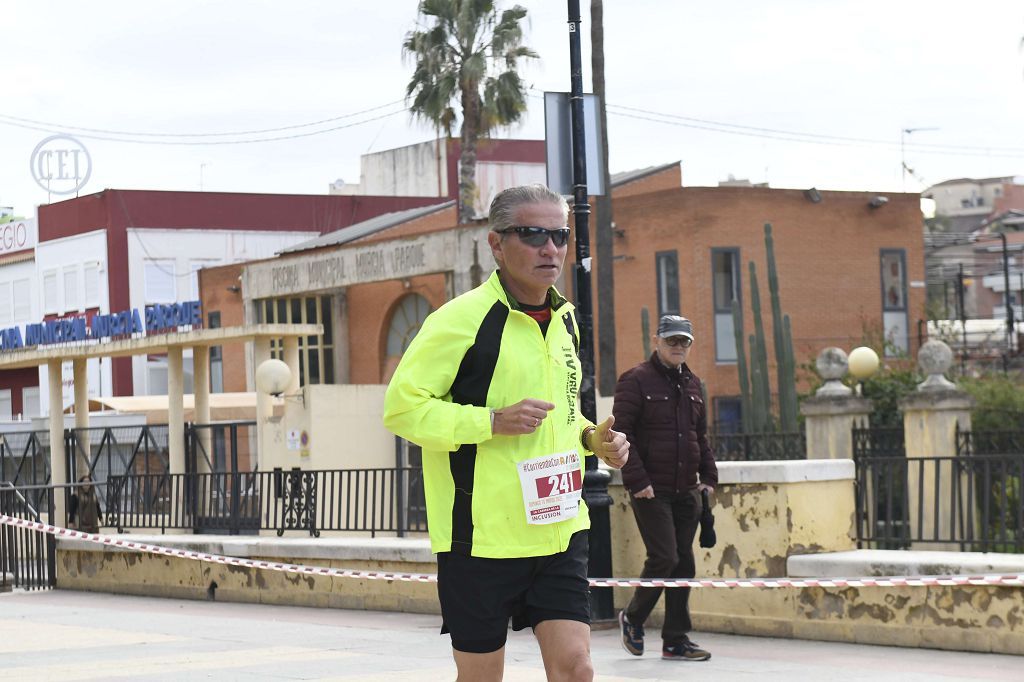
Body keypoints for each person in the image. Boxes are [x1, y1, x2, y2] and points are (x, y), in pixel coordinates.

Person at [383, 183, 629, 682]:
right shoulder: (459, 321)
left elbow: (558, 413)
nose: (550, 249)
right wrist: (490, 422)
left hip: (560, 529)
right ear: (496, 244)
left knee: (578, 669)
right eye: (532, 234)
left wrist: (590, 439)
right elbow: (402, 410)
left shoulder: (565, 320)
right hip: (481, 540)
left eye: (559, 235)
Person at [612, 314, 718, 662]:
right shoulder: (635, 380)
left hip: (686, 489)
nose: (678, 346)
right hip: (651, 490)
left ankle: (675, 640)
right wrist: (637, 480)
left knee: (683, 564)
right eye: (671, 340)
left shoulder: (692, 384)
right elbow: (620, 434)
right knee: (665, 557)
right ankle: (634, 617)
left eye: (684, 341)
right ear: (656, 340)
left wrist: (709, 477)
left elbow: (698, 437)